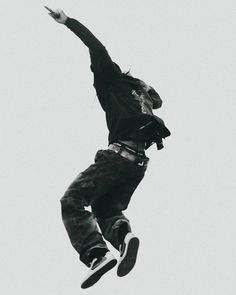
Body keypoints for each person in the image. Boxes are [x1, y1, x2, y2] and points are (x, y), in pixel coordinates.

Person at [47, 8, 171, 289]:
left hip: (116, 157)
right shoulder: (141, 96)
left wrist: (68, 22)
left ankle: (97, 254)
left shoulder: (110, 80)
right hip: (137, 166)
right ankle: (123, 236)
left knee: (72, 200)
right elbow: (158, 100)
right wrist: (143, 86)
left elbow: (97, 47)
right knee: (105, 209)